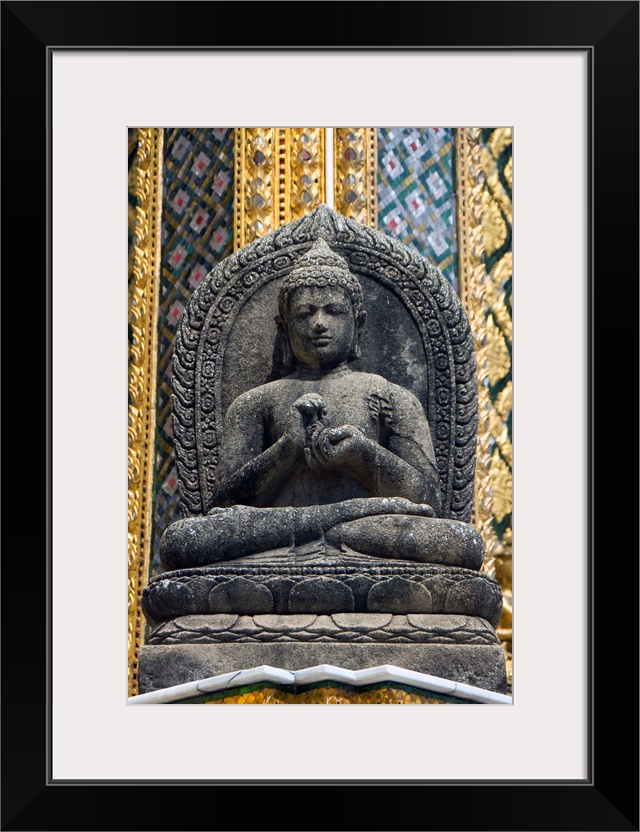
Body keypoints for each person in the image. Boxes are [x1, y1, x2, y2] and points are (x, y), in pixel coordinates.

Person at [160, 239, 483, 572]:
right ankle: (332, 526)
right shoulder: (256, 402)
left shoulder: (390, 397)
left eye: (333, 311)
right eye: (304, 313)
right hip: (298, 534)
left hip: (361, 533)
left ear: (358, 323)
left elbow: (427, 500)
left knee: (457, 541)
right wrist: (287, 449)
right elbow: (227, 503)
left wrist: (362, 454)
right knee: (183, 540)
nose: (318, 323)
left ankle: (330, 530)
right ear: (284, 328)